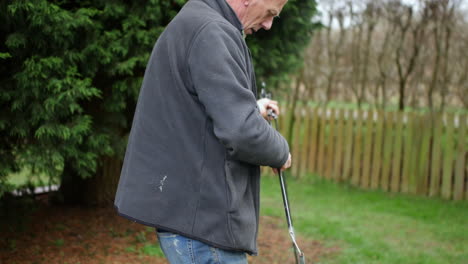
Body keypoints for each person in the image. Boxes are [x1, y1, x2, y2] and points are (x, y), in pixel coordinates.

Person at [114, 0, 291, 263]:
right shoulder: (212, 32)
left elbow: (195, 109)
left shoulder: (197, 20)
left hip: (192, 223)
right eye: (270, 13)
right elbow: (241, 131)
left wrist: (252, 107)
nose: (268, 24)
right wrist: (281, 152)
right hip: (205, 229)